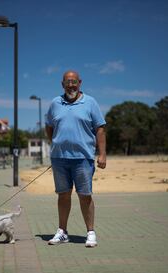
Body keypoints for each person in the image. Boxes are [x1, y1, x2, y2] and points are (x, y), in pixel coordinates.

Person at [45, 70, 106, 248]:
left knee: (85, 195)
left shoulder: (90, 102)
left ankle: (90, 232)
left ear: (80, 83)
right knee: (63, 195)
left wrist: (102, 154)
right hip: (59, 159)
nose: (71, 85)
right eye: (67, 82)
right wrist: (56, 144)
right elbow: (49, 127)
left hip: (83, 158)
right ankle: (62, 232)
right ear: (62, 84)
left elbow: (100, 129)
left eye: (74, 82)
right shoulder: (55, 103)